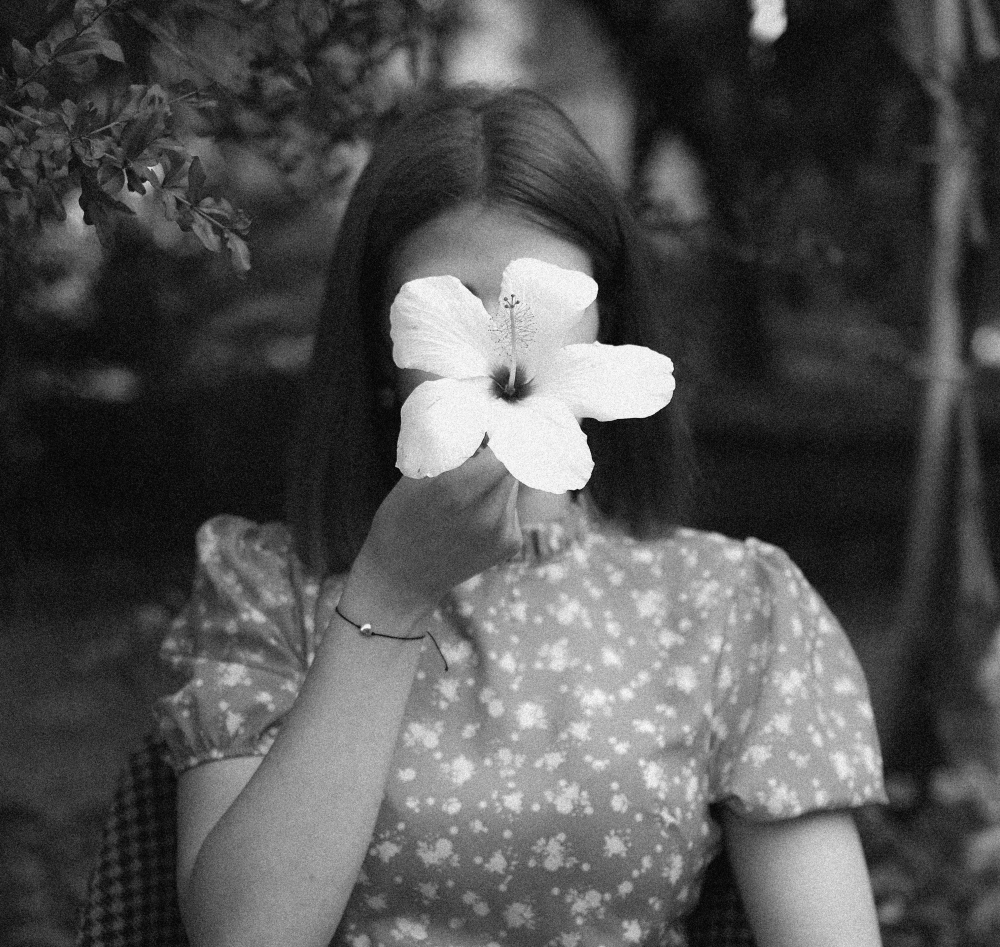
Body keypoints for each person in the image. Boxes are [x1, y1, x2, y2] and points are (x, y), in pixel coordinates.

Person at [153, 85, 887, 947]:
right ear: (386, 350)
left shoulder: (733, 603)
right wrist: (387, 595)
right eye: (456, 301)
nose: (503, 354)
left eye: (539, 303)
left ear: (605, 326)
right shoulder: (263, 587)